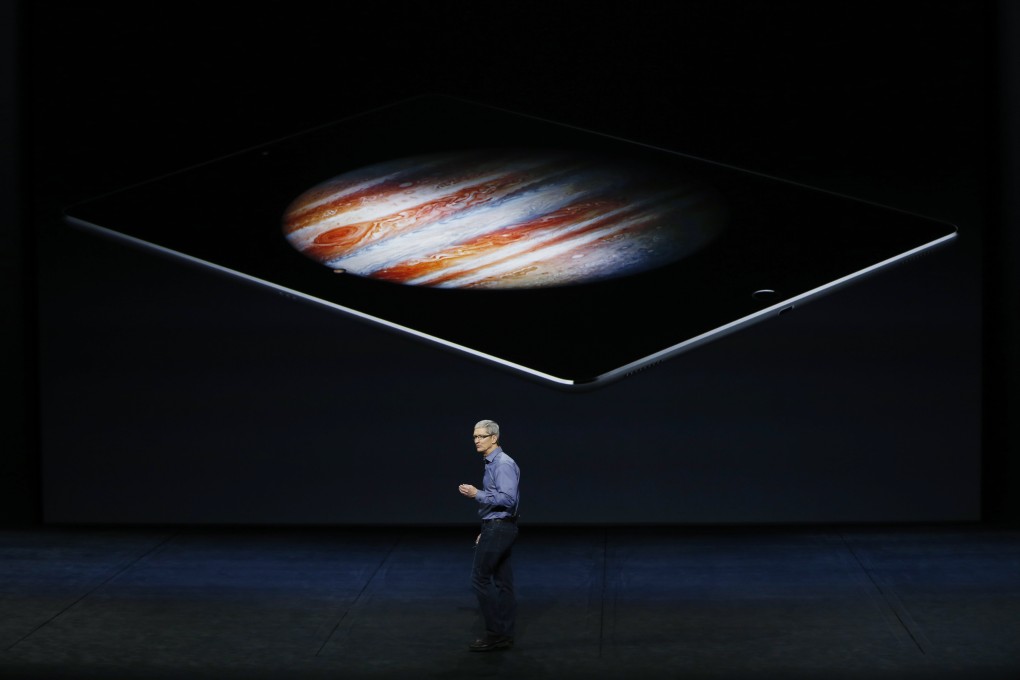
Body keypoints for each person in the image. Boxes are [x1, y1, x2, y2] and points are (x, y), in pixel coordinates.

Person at [458, 419, 520, 652]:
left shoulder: (502, 463)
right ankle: (503, 634)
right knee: (503, 583)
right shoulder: (492, 463)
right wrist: (486, 528)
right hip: (497, 527)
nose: (476, 440)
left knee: (479, 579)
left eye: (481, 436)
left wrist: (477, 494)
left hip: (500, 527)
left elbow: (508, 499)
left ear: (494, 438)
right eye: (474, 436)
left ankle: (496, 633)